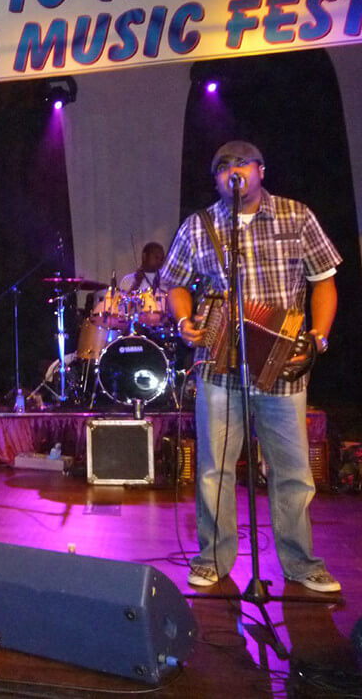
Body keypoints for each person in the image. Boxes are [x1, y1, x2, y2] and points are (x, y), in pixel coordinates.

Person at [161, 140, 341, 593]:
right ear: (216, 179)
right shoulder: (199, 226)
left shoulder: (296, 216)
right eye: (223, 167)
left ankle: (301, 563)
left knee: (292, 471)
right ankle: (212, 560)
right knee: (214, 470)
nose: (233, 172)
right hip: (219, 367)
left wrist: (318, 337)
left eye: (242, 164)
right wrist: (183, 320)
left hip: (283, 368)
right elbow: (174, 284)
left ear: (261, 169)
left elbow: (324, 281)